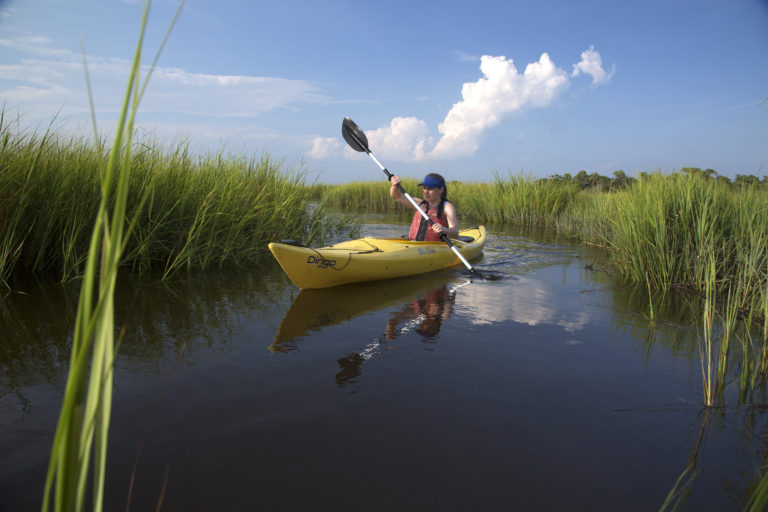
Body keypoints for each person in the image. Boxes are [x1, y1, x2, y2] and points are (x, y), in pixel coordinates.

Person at [390, 172, 459, 241]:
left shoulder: (447, 207)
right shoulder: (420, 204)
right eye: (424, 188)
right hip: (413, 244)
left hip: (435, 248)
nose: (426, 191)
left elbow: (455, 233)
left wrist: (444, 230)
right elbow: (397, 197)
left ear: (441, 189)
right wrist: (394, 186)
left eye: (430, 188)